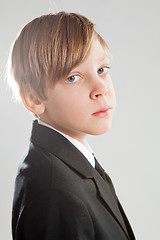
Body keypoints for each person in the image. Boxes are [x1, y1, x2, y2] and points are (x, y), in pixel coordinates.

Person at [9, 12, 136, 240]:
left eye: (101, 70)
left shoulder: (73, 165)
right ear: (35, 99)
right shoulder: (54, 192)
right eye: (73, 77)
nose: (100, 88)